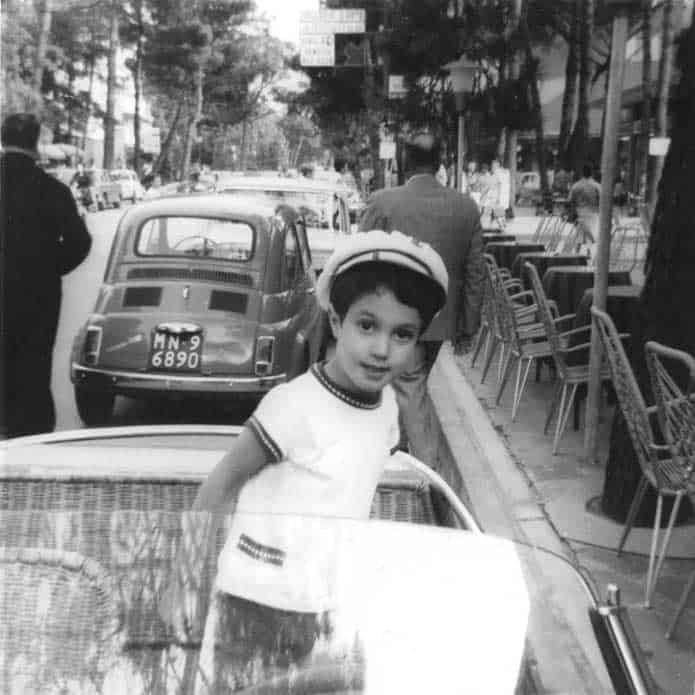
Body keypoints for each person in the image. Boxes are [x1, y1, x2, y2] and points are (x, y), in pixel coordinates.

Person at [162, 230, 448, 682]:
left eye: (403, 334)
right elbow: (220, 486)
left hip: (330, 605)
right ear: (336, 322)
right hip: (255, 604)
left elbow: (351, 490)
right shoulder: (292, 406)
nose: (381, 348)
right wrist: (183, 582)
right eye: (367, 325)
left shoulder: (387, 408)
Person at [358, 131, 484, 468]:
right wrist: (468, 327)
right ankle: (394, 454)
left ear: (404, 161)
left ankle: (429, 474)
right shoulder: (466, 207)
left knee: (409, 388)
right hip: (441, 322)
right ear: (440, 162)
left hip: (395, 317)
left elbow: (360, 257)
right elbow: (475, 273)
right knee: (409, 384)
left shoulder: (383, 202)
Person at [0, 113, 92, 438]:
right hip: (38, 296)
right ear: (36, 143)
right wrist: (48, 268)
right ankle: (29, 437)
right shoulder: (53, 191)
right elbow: (81, 242)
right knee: (33, 366)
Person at [568, 164, 601, 246]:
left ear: (582, 173)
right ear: (592, 173)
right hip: (593, 213)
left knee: (580, 236)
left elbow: (570, 200)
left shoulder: (576, 186)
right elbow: (602, 200)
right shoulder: (596, 186)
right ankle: (589, 251)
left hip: (579, 213)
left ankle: (577, 253)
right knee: (590, 234)